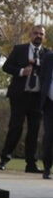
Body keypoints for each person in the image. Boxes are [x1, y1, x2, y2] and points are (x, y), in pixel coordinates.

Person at [0, 25, 46, 172]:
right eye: (36, 33)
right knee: (15, 128)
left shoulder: (47, 54)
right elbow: (6, 67)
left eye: (41, 34)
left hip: (37, 98)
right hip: (20, 96)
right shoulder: (20, 49)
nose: (38, 36)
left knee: (34, 131)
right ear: (31, 34)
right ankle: (4, 159)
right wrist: (21, 71)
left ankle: (31, 164)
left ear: (44, 37)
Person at [37, 48, 53, 180]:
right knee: (49, 136)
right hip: (49, 104)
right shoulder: (48, 58)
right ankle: (47, 168)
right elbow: (42, 77)